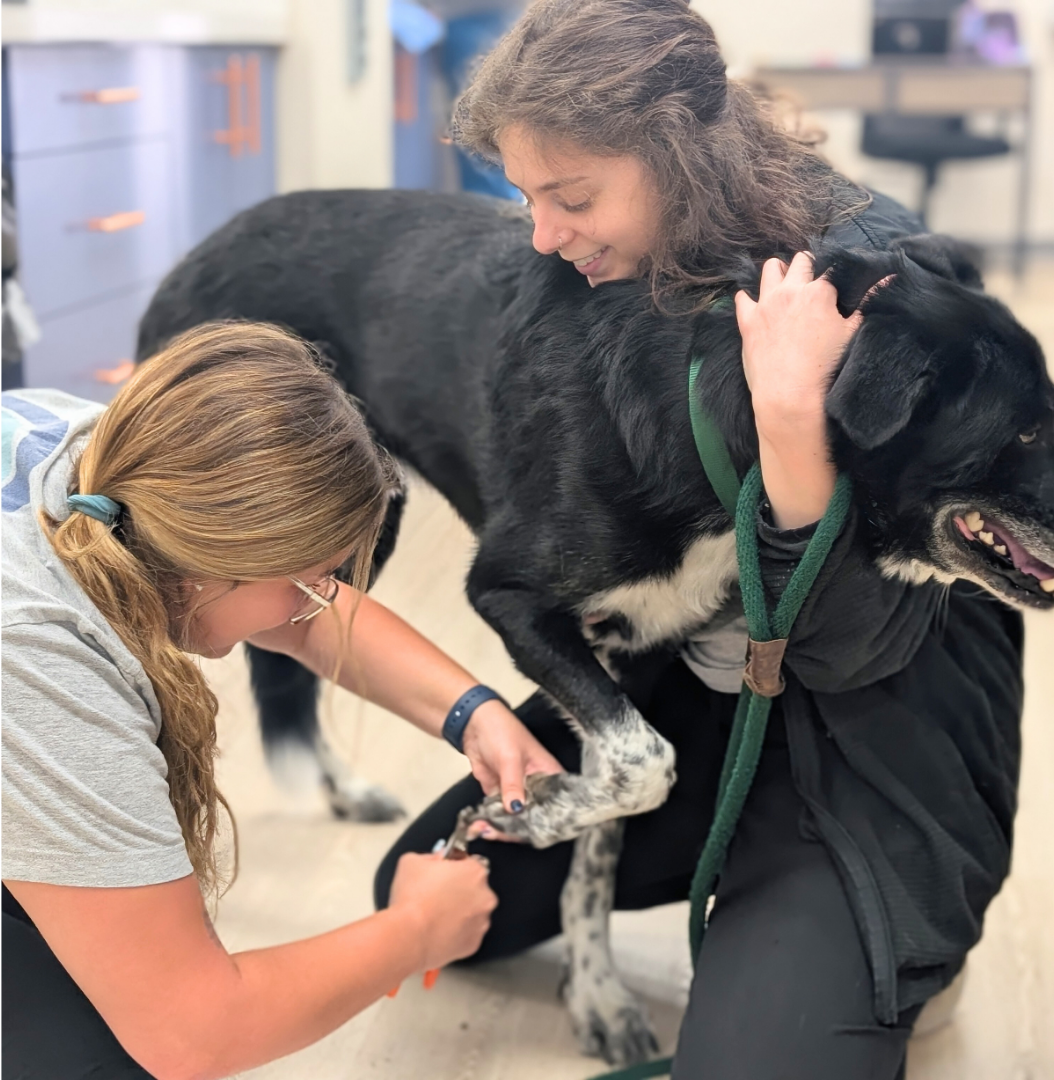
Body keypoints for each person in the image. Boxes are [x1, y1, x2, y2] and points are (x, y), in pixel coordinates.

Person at [375, 2, 1024, 1078]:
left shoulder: (880, 284)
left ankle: (894, 945)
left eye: (572, 197)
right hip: (709, 691)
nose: (543, 232)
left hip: (872, 738)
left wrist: (789, 433)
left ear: (679, 154)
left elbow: (854, 647)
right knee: (430, 894)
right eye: (523, 196)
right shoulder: (607, 274)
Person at [1, 321, 564, 1080]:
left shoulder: (105, 458)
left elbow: (308, 617)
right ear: (212, 567)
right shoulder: (43, 667)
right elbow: (195, 1033)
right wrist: (418, 930)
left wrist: (474, 711)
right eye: (303, 581)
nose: (311, 604)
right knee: (110, 1052)